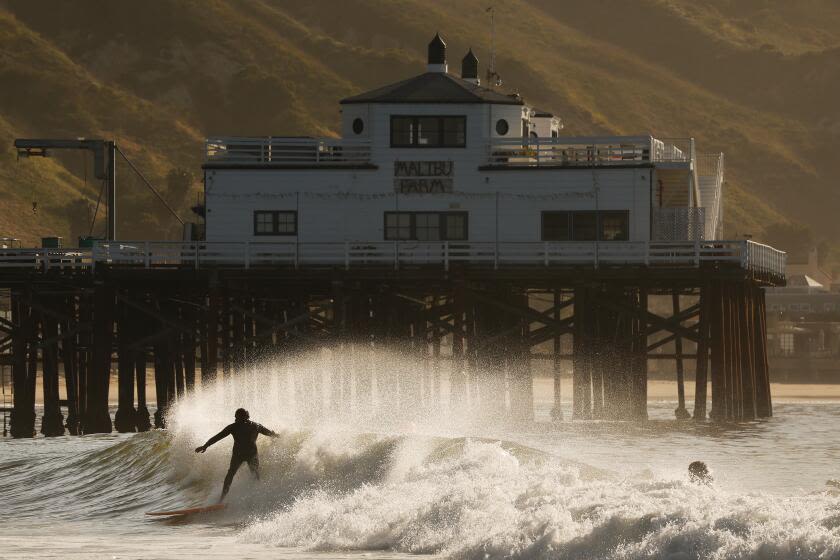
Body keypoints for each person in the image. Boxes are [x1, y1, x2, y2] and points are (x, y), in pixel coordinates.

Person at [195, 408, 278, 502]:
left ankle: (222, 498)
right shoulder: (256, 426)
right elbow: (270, 434)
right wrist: (277, 436)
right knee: (254, 474)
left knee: (231, 474)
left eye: (237, 417)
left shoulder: (234, 426)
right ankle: (256, 496)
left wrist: (205, 446)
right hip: (250, 454)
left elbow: (218, 437)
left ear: (238, 417)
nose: (237, 419)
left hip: (239, 454)